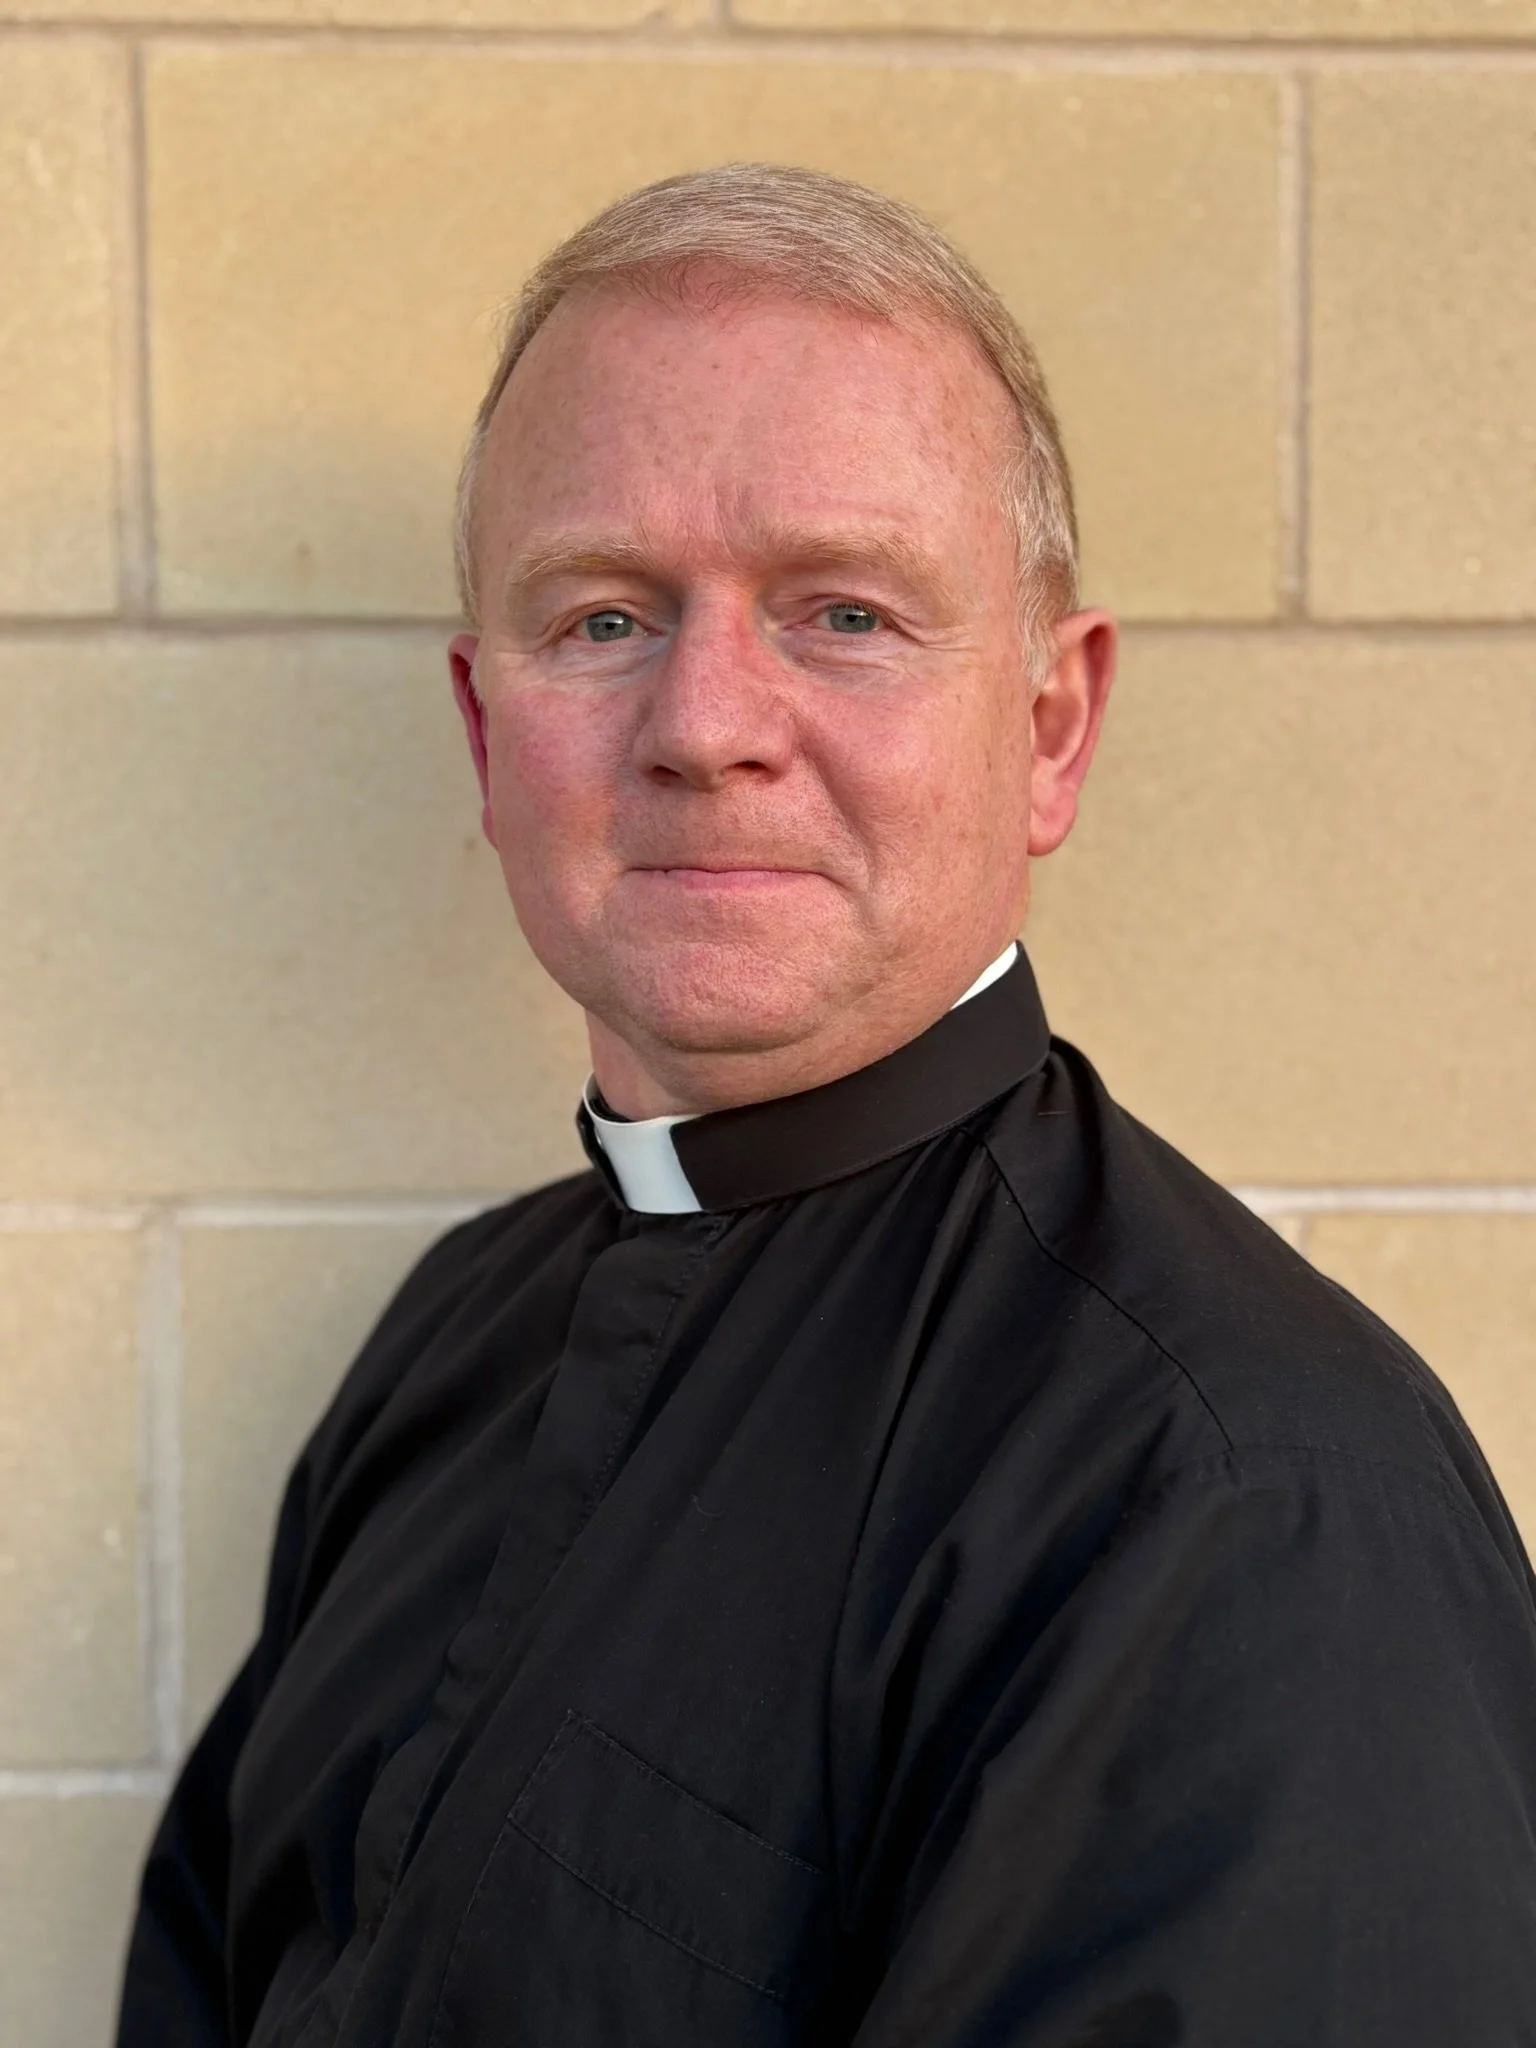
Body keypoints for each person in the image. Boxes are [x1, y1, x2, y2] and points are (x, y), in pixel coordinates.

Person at [116, 163, 1536, 2048]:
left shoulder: (1240, 1493)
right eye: (605, 616)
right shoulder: (451, 1337)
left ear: (1050, 728)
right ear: (484, 729)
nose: (707, 723)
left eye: (845, 614)